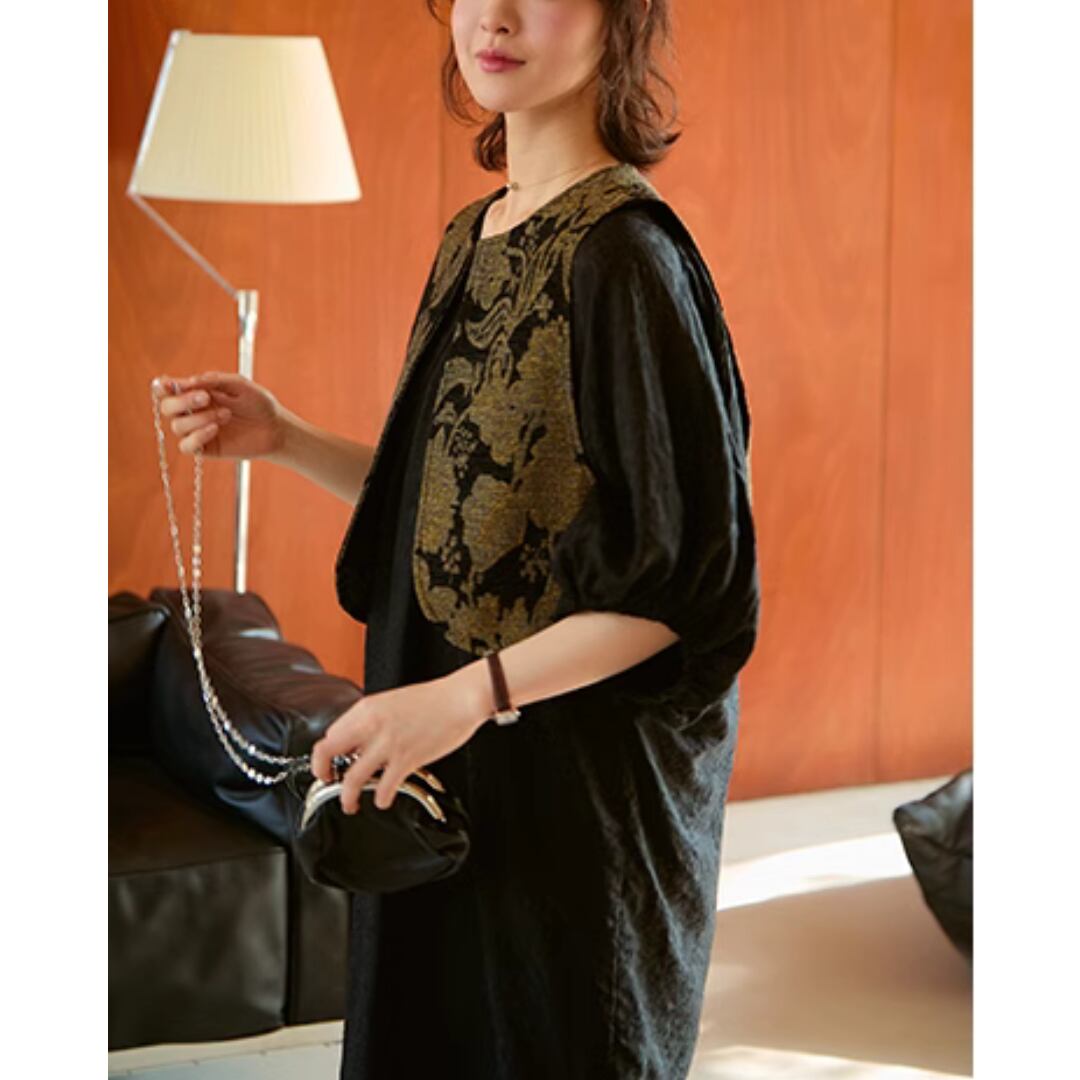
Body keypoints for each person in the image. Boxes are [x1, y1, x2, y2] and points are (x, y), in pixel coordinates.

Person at [151, 0, 760, 1076]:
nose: (497, 16)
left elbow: (681, 590)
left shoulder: (628, 258)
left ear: (621, 21)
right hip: (445, 770)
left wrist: (467, 697)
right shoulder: (473, 236)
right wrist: (283, 438)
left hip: (574, 810)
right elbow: (450, 504)